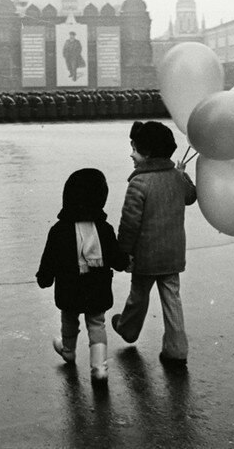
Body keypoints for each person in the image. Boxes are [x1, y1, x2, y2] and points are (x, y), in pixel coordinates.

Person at [111, 121, 197, 369]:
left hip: (145, 257)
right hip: (172, 255)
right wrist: (183, 174)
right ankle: (177, 349)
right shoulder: (176, 178)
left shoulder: (139, 183)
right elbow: (191, 197)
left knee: (138, 296)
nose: (131, 154)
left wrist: (123, 253)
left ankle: (128, 329)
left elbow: (129, 223)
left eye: (135, 149)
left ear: (146, 154)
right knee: (172, 300)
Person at [36, 168, 128, 383]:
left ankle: (68, 350)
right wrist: (124, 263)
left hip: (69, 288)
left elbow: (49, 258)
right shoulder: (104, 229)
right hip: (98, 287)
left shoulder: (59, 230)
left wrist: (45, 278)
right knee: (97, 323)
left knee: (69, 317)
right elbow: (116, 256)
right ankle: (99, 368)